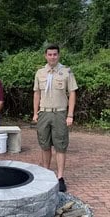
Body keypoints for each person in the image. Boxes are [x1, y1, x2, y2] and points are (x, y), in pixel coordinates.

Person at [32, 44, 78, 192]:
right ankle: (46, 173)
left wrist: (70, 115)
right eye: (49, 54)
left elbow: (72, 93)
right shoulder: (40, 73)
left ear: (58, 55)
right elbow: (37, 94)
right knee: (44, 144)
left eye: (55, 54)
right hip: (44, 113)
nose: (52, 57)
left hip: (60, 113)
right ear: (45, 56)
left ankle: (60, 177)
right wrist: (35, 112)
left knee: (60, 145)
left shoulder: (66, 72)